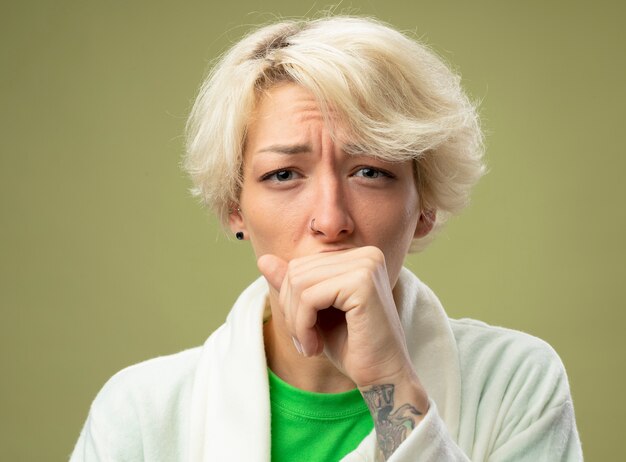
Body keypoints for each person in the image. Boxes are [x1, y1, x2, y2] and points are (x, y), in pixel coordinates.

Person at [70, 16, 583, 461]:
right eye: (284, 175)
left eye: (371, 172)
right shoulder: (140, 411)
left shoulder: (517, 380)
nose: (330, 219)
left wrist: (390, 381)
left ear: (424, 208)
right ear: (234, 208)